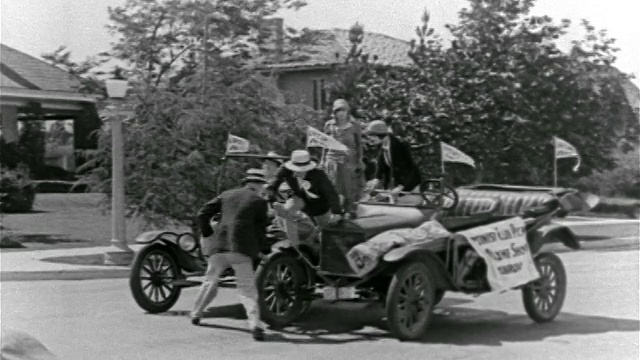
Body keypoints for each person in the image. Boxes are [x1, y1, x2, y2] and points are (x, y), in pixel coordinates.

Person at [190, 168, 269, 341]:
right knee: (247, 289)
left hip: (219, 247)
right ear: (259, 185)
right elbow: (260, 230)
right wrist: (263, 251)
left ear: (245, 183)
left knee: (210, 281)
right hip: (241, 249)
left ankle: (196, 313)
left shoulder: (226, 195)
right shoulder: (260, 202)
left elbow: (202, 214)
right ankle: (255, 324)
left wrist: (208, 234)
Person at [266, 149, 343, 246]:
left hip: (320, 206)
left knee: (326, 234)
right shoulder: (284, 169)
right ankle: (294, 243)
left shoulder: (319, 175)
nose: (296, 173)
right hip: (299, 199)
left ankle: (316, 242)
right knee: (287, 210)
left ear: (308, 168)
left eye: (300, 171)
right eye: (294, 170)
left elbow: (331, 193)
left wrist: (337, 212)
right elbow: (272, 186)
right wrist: (272, 201)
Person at [322, 99, 365, 218]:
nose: (341, 113)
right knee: (334, 186)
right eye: (338, 111)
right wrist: (322, 160)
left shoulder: (355, 126)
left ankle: (349, 212)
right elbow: (325, 143)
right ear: (334, 112)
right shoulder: (329, 125)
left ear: (348, 112)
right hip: (332, 158)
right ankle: (335, 212)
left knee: (349, 187)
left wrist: (360, 159)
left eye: (343, 110)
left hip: (349, 159)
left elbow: (359, 144)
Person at [364, 120, 421, 195]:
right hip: (395, 185)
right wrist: (376, 179)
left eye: (371, 137)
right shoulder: (381, 144)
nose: (369, 140)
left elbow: (410, 168)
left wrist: (401, 186)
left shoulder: (400, 145)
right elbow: (381, 164)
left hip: (409, 185)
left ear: (380, 135)